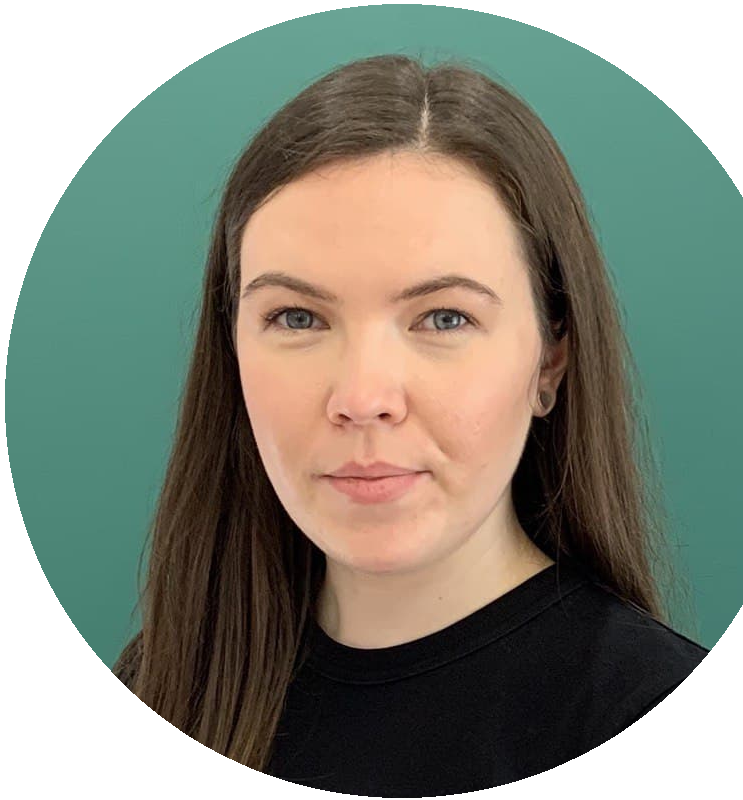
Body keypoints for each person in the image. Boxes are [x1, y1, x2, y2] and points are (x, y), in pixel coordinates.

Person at [113, 53, 709, 792]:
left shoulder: (638, 701)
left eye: (444, 317)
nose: (363, 397)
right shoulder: (165, 682)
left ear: (550, 361)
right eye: (296, 317)